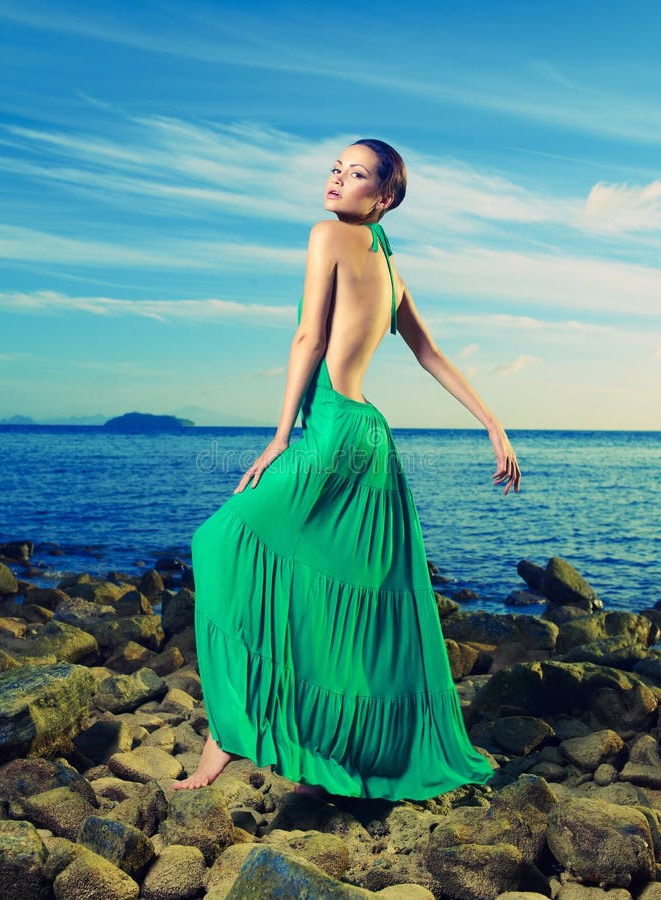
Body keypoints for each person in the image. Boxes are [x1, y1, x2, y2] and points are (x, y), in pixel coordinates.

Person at [172, 138, 521, 799]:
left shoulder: (328, 237)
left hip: (332, 430)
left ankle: (228, 736)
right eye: (335, 169)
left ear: (383, 197)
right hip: (369, 438)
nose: (336, 181)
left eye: (355, 175)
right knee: (352, 591)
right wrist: (491, 420)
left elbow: (307, 336)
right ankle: (263, 729)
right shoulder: (388, 260)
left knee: (220, 541)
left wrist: (278, 437)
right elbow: (429, 351)